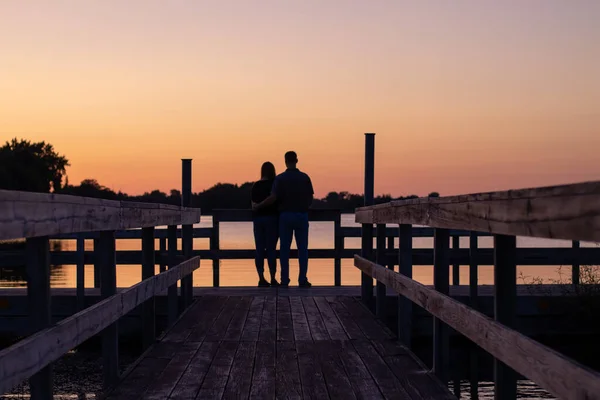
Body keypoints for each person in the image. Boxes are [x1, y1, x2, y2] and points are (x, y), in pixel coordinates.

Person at [253, 151, 313, 287]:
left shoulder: (280, 179)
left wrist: (259, 206)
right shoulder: (305, 177)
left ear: (285, 161)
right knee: (302, 249)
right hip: (302, 215)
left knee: (284, 249)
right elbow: (310, 199)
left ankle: (284, 280)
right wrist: (304, 207)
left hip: (285, 216)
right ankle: (302, 279)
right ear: (297, 160)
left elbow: (273, 197)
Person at [251, 162, 280, 287]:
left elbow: (253, 205)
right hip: (272, 219)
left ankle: (261, 278)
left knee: (259, 249)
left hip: (258, 220)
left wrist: (258, 206)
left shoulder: (256, 186)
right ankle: (273, 278)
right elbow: (274, 198)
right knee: (271, 249)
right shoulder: (274, 184)